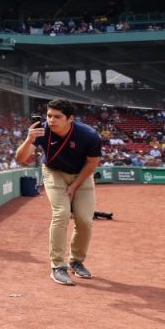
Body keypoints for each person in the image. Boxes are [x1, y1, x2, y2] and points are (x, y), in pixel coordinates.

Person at [15, 99, 102, 286]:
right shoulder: (41, 131)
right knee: (61, 213)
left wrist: (75, 186)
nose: (51, 120)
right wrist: (29, 139)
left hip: (82, 176)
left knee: (85, 220)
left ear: (70, 118)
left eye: (57, 117)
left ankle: (76, 261)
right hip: (54, 173)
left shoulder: (89, 135)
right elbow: (21, 159)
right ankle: (58, 266)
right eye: (49, 115)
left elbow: (92, 163)